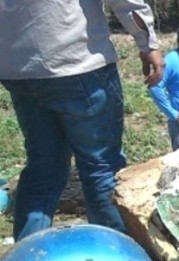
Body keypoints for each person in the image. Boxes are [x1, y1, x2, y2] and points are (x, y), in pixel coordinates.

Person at [0, 1, 163, 242]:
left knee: (43, 169)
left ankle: (27, 257)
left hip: (19, 67)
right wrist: (147, 43)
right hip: (76, 61)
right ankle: (114, 255)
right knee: (102, 169)